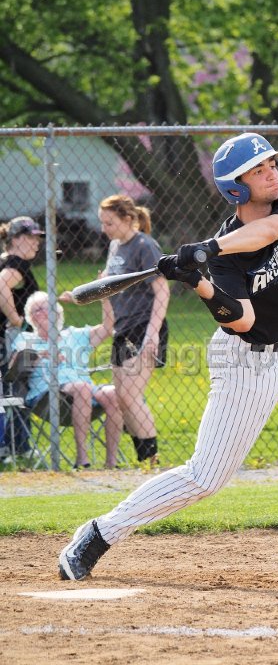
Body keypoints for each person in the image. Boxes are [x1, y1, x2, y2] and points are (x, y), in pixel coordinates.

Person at [58, 132, 278, 585]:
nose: (272, 174)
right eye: (258, 170)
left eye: (272, 165)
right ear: (236, 189)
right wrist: (198, 281)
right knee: (205, 477)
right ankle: (99, 533)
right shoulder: (225, 260)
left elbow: (266, 233)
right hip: (245, 361)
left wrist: (207, 249)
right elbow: (242, 320)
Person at [60, 195, 170, 464]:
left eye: (109, 222)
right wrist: (80, 296)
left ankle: (152, 462)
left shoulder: (144, 246)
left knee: (130, 396)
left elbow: (163, 291)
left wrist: (152, 334)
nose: (104, 228)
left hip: (144, 326)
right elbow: (108, 287)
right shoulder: (115, 246)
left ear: (128, 219)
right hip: (122, 328)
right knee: (122, 398)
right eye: (102, 222)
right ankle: (145, 461)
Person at [11, 290, 123, 469]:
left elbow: (108, 327)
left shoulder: (75, 335)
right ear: (31, 317)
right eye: (37, 310)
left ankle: (111, 462)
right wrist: (39, 355)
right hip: (47, 396)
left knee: (114, 394)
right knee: (82, 387)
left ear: (58, 312)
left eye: (48, 307)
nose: (44, 312)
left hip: (85, 390)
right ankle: (82, 458)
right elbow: (13, 368)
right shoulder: (25, 339)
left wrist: (103, 298)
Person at [0, 216, 44, 457]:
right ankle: (18, 446)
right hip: (10, 339)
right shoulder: (17, 264)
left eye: (38, 238)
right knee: (16, 389)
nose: (36, 242)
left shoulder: (6, 260)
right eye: (30, 237)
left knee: (8, 391)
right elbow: (1, 286)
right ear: (15, 239)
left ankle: (12, 445)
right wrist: (16, 318)